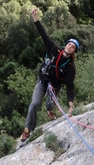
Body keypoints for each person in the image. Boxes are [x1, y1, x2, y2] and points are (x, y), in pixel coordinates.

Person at [19, 8, 79, 147]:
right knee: (34, 104)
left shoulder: (71, 67)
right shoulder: (53, 49)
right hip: (43, 80)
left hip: (55, 85)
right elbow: (44, 34)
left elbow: (70, 85)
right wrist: (35, 19)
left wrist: (71, 105)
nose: (70, 47)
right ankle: (28, 129)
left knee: (50, 102)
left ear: (74, 51)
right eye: (69, 44)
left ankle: (50, 110)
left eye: (73, 47)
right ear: (66, 45)